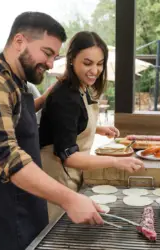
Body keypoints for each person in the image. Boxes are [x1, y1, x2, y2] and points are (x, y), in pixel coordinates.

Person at [0, 12, 104, 250]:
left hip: (17, 218)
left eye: (55, 56)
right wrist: (70, 198)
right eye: (47, 53)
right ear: (19, 41)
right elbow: (6, 156)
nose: (51, 63)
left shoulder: (16, 84)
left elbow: (20, 118)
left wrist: (46, 96)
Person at [39, 31, 145, 222]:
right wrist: (115, 161)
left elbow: (70, 123)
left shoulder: (82, 87)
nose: (95, 70)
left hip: (69, 176)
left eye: (99, 63)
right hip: (55, 177)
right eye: (87, 63)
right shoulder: (65, 97)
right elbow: (68, 156)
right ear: (71, 59)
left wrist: (97, 129)